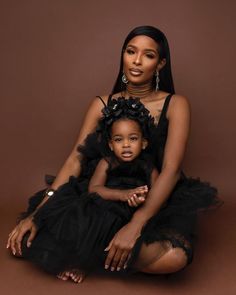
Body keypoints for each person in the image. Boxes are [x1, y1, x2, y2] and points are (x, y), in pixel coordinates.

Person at [7, 25, 220, 284]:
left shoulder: (175, 105)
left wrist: (136, 224)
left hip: (150, 195)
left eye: (148, 55)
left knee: (174, 258)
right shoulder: (101, 104)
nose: (137, 61)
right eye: (131, 52)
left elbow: (171, 170)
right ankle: (102, 251)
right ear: (123, 55)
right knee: (33, 235)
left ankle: (92, 253)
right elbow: (75, 160)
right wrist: (38, 213)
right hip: (101, 196)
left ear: (161, 63)